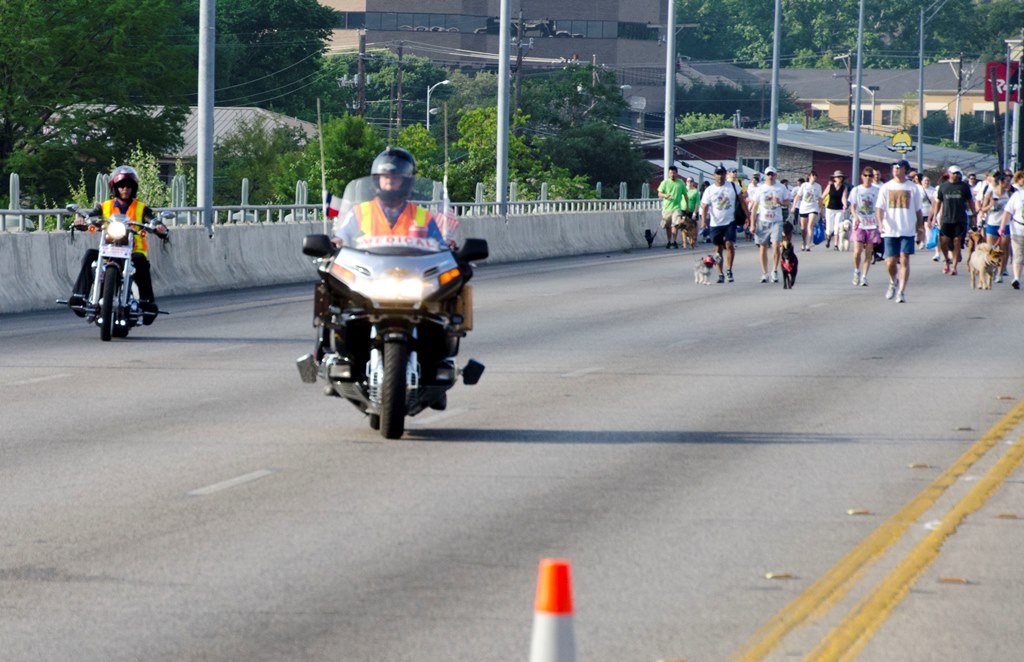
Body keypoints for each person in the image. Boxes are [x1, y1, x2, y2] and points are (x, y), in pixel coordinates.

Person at [68, 165, 168, 320]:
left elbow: (152, 219)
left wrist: (159, 226)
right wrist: (82, 220)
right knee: (89, 255)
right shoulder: (105, 206)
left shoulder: (141, 208)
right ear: (115, 188)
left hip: (133, 252)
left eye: (128, 186)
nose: (125, 189)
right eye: (121, 186)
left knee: (142, 263)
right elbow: (91, 216)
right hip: (108, 250)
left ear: (133, 188)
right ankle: (79, 296)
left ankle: (147, 302)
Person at [875, 159, 923, 303]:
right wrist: (880, 223)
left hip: (907, 229)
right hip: (890, 229)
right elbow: (879, 208)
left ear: (905, 170)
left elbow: (918, 210)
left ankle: (901, 291)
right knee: (890, 261)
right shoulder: (886, 187)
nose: (896, 169)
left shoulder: (913, 188)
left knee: (904, 258)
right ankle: (892, 281)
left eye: (899, 167)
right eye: (894, 167)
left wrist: (920, 228)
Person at [748, 166, 790, 283]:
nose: (770, 176)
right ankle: (764, 273)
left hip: (776, 220)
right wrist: (752, 224)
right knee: (763, 247)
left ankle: (774, 270)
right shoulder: (760, 188)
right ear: (765, 176)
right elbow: (754, 207)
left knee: (776, 245)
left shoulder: (781, 187)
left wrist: (780, 202)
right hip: (763, 220)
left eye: (772, 174)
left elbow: (788, 202)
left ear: (776, 175)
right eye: (768, 174)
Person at [932, 165, 975, 276]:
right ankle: (947, 260)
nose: (956, 175)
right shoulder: (943, 187)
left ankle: (954, 266)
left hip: (960, 218)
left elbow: (970, 201)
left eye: (958, 173)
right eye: (954, 173)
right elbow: (938, 202)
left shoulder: (964, 187)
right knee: (944, 241)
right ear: (950, 174)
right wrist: (934, 217)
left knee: (957, 241)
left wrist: (974, 215)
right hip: (946, 218)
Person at [699, 165, 739, 283]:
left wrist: (747, 216)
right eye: (718, 174)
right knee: (718, 248)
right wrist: (703, 221)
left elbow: (742, 200)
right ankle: (720, 273)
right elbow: (704, 206)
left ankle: (729, 270)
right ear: (714, 175)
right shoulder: (709, 190)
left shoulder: (732, 186)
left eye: (722, 174)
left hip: (730, 221)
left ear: (725, 175)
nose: (720, 176)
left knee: (729, 245)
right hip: (715, 223)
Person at [848, 167, 880, 287]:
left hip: (872, 224)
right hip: (860, 223)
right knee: (857, 251)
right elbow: (852, 207)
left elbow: (879, 207)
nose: (868, 178)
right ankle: (857, 271)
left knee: (868, 252)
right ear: (862, 176)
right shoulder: (856, 190)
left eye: (870, 175)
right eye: (865, 175)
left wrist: (881, 222)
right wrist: (855, 217)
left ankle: (864, 276)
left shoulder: (877, 190)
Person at [980, 169, 1012, 281]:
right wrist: (990, 205)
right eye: (1006, 181)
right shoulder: (990, 193)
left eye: (1009, 181)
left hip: (1005, 225)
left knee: (1004, 249)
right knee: (992, 249)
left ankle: (1000, 272)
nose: (1008, 183)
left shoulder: (1010, 194)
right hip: (992, 223)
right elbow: (983, 209)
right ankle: (992, 269)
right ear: (1001, 182)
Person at [998, 171, 1024, 289]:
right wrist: (1002, 227)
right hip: (1018, 229)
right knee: (1018, 254)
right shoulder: (1017, 195)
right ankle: (1016, 278)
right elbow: (1007, 212)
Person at [791, 170, 823, 251]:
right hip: (804, 207)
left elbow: (820, 198)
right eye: (813, 175)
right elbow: (798, 196)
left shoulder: (818, 186)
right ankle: (804, 242)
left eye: (815, 176)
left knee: (810, 225)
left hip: (813, 207)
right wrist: (793, 206)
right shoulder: (804, 185)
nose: (814, 177)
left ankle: (808, 244)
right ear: (809, 176)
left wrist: (821, 208)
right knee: (803, 227)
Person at [656, 165, 686, 249]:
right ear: (668, 174)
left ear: (677, 173)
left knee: (675, 225)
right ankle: (669, 241)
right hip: (667, 208)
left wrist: (686, 206)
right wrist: (665, 195)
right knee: (668, 226)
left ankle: (674, 241)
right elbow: (659, 193)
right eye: (671, 173)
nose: (672, 174)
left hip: (677, 207)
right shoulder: (665, 183)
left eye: (674, 173)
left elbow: (685, 194)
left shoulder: (681, 183)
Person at [823, 170, 849, 249]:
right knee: (829, 227)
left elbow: (843, 198)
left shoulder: (844, 187)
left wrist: (845, 204)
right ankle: (828, 238)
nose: (839, 178)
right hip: (829, 208)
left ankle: (835, 245)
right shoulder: (830, 186)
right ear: (834, 178)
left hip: (839, 209)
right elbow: (824, 195)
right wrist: (819, 203)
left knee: (837, 227)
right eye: (837, 177)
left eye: (840, 177)